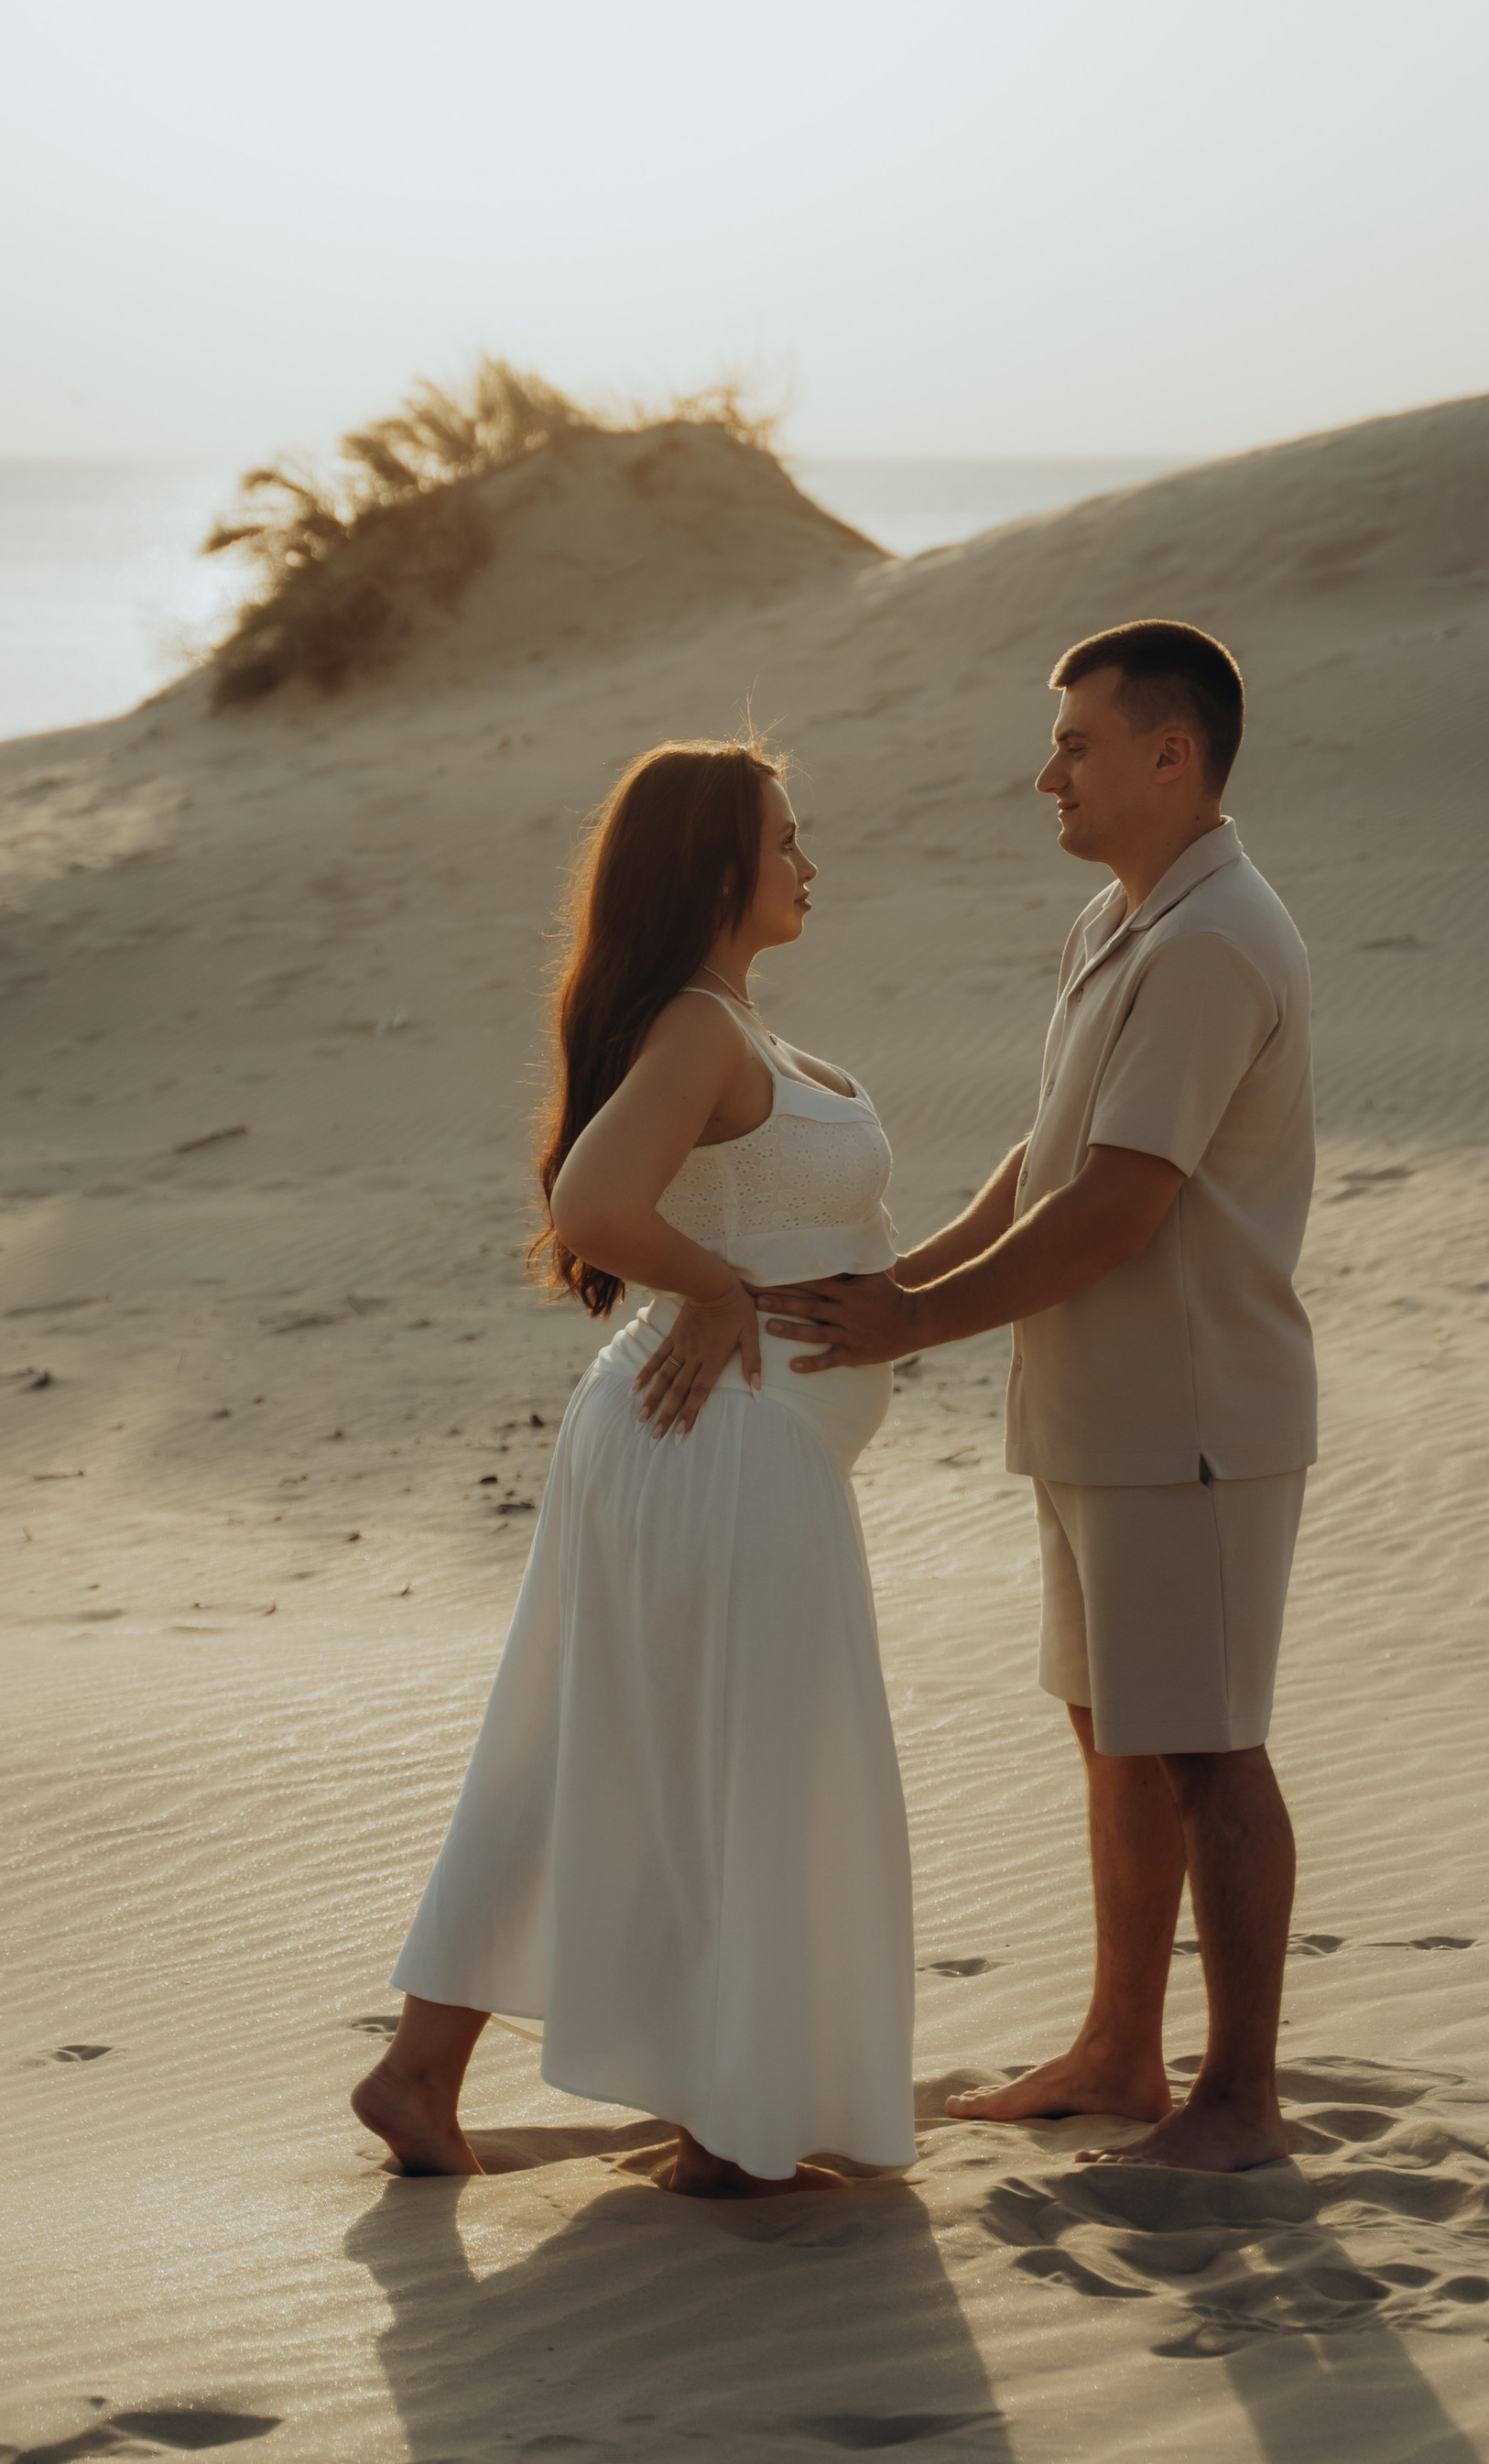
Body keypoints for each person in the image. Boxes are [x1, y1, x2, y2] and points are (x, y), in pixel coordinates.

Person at [759, 619, 1316, 2174]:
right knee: (1116, 1733)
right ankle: (1123, 2050)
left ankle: (1243, 2098)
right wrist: (903, 1280)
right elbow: (1048, 1152)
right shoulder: (1122, 918)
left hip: (1192, 1418)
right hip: (1094, 1409)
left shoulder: (1213, 940)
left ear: (1169, 755)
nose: (1045, 772)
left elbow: (1123, 1204)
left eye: (1075, 743)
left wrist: (913, 1318)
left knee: (1208, 1746)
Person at [353, 736, 918, 2197]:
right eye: (788, 839)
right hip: (718, 1444)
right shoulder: (700, 1028)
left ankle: (426, 2066)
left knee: (577, 1745)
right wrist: (719, 1288)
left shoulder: (736, 1028)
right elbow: (596, 1200)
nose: (809, 863)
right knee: (730, 1766)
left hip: (710, 1445)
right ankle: (727, 2122)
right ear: (723, 869)